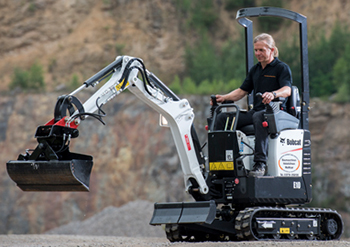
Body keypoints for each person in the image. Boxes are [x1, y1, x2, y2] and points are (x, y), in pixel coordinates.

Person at [213, 33, 292, 176]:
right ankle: (224, 164)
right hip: (257, 111)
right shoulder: (255, 70)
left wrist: (273, 94)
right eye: (256, 50)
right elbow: (242, 91)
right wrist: (223, 98)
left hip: (276, 113)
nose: (258, 53)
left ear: (272, 50)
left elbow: (287, 90)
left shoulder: (281, 68)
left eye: (261, 50)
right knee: (222, 118)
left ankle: (260, 164)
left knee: (259, 117)